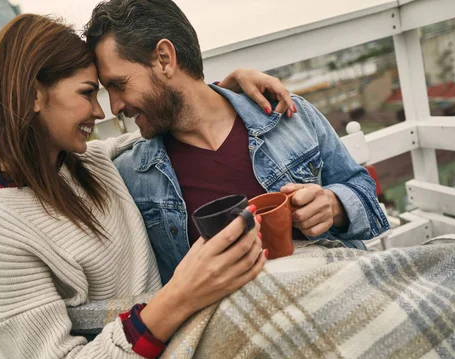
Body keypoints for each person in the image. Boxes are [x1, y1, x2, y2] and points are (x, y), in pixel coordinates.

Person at [0, 13, 306, 359]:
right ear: (33, 94)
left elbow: (163, 120)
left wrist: (223, 91)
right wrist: (181, 295)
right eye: (87, 93)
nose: (101, 112)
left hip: (178, 356)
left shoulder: (88, 164)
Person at [82, 0, 390, 284]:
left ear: (165, 58)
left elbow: (364, 193)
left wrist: (335, 206)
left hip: (342, 288)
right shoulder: (132, 174)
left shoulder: (286, 114)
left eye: (118, 85)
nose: (115, 107)